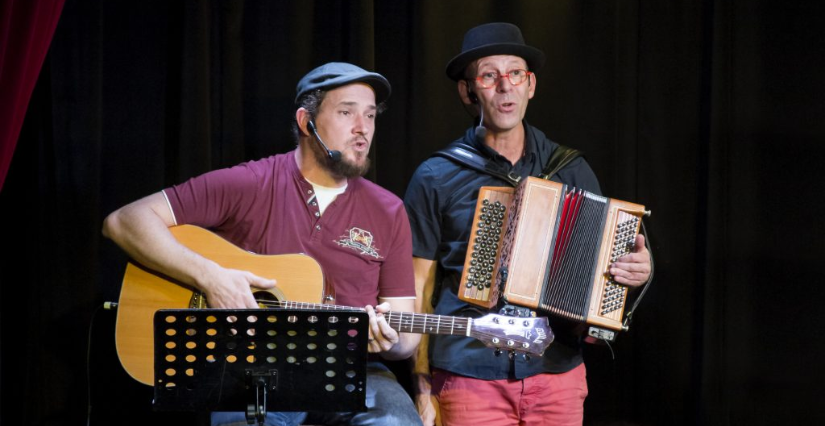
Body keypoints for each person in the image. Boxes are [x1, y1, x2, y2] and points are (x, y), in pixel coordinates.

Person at [103, 62, 423, 426]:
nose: (363, 128)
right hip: (250, 369)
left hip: (352, 371)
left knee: (394, 422)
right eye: (346, 112)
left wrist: (387, 340)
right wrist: (212, 278)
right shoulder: (250, 182)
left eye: (369, 115)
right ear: (307, 122)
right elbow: (124, 221)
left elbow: (407, 336)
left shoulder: (389, 210)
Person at [403, 23, 652, 426]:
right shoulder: (435, 175)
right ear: (468, 91)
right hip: (469, 375)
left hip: (558, 372)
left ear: (530, 84)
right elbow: (418, 287)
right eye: (489, 75)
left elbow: (608, 266)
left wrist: (638, 270)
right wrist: (421, 385)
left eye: (515, 73)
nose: (505, 87)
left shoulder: (571, 169)